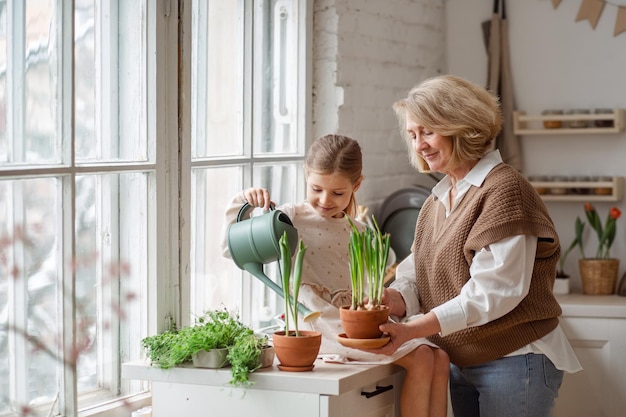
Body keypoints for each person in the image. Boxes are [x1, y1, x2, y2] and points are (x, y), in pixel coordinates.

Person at [367, 74, 582, 417]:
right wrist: (392, 297)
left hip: (515, 359)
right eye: (412, 134)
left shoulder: (504, 191)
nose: (419, 144)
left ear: (460, 126)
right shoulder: (437, 201)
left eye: (428, 131)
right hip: (462, 359)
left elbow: (495, 291)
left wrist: (412, 329)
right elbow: (416, 273)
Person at [221, 134, 449, 417]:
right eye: (316, 188)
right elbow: (231, 250)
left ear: (356, 185)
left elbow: (368, 287)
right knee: (423, 357)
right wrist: (243, 202)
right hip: (321, 322)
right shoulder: (289, 218)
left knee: (440, 357)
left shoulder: (359, 230)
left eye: (338, 193)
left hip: (354, 319)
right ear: (306, 174)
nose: (325, 200)